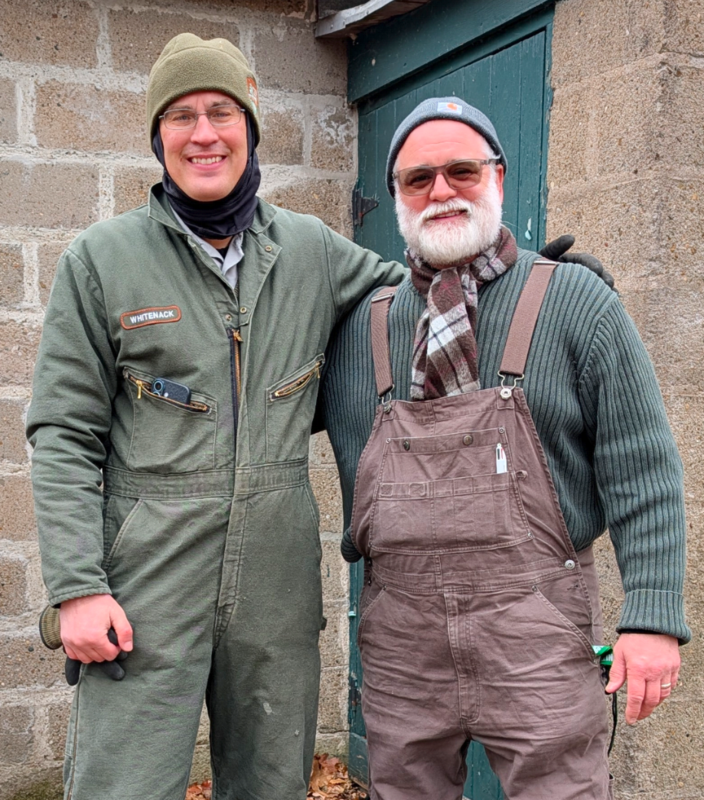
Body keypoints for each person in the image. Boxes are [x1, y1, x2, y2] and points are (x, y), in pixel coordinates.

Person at [25, 33, 410, 800]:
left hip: (276, 571)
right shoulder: (101, 260)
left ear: (251, 125)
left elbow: (422, 297)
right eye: (182, 116)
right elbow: (64, 434)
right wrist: (76, 586)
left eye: (223, 112)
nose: (204, 134)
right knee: (121, 785)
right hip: (144, 576)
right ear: (158, 136)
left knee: (271, 783)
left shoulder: (310, 249)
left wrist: (531, 281)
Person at [319, 97, 689, 800]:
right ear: (395, 195)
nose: (442, 191)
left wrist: (651, 617)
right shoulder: (356, 334)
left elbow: (644, 471)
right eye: (417, 179)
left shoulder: (576, 302)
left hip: (537, 633)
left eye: (462, 170)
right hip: (401, 643)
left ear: (499, 175)